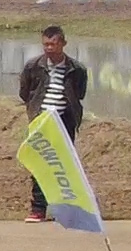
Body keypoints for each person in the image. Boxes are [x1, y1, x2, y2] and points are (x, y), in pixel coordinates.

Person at [18, 24, 87, 223]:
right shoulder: (33, 66)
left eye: (53, 44)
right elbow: (25, 93)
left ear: (63, 44)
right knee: (40, 164)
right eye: (45, 44)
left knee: (64, 166)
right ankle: (38, 209)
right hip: (40, 120)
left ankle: (64, 210)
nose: (49, 48)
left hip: (64, 120)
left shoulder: (76, 69)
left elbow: (79, 93)